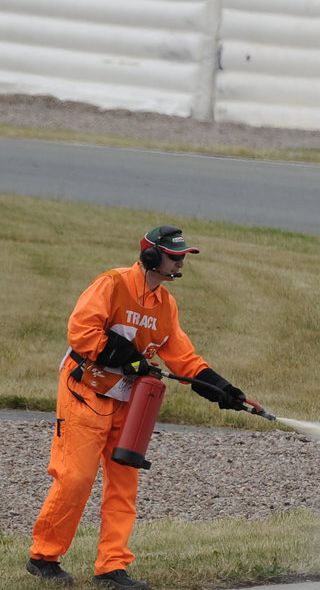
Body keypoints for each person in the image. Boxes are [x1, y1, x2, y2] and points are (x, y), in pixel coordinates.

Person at [27, 226, 253, 590]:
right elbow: (82, 332)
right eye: (174, 256)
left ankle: (111, 567)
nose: (180, 262)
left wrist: (223, 390)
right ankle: (43, 556)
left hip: (127, 404)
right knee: (76, 478)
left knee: (123, 484)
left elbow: (184, 359)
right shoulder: (111, 284)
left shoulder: (166, 305)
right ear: (151, 257)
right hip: (83, 394)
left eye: (183, 257)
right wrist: (131, 360)